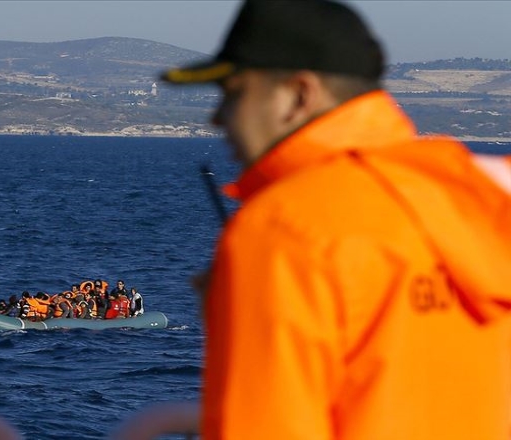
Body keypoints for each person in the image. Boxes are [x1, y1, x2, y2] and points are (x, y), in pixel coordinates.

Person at [161, 1, 511, 439]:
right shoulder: (486, 188)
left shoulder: (284, 229)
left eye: (234, 93)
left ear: (299, 94)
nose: (218, 117)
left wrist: (244, 315)